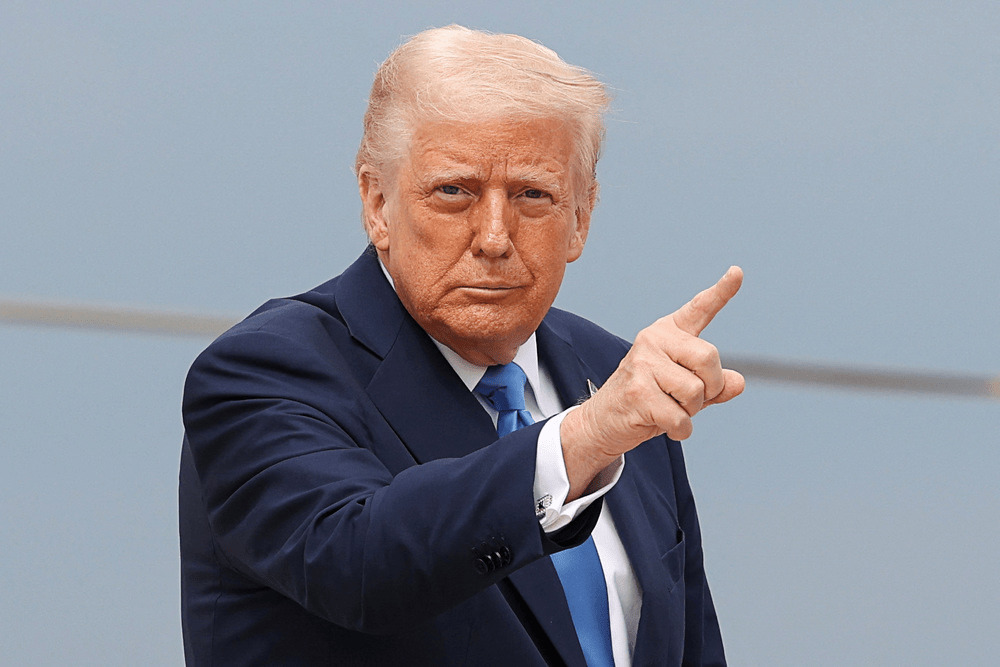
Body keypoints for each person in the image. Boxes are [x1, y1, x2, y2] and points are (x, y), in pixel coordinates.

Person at [179, 25, 743, 666]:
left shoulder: (615, 377)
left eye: (533, 194)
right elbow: (360, 562)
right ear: (377, 203)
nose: (495, 237)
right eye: (454, 191)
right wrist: (584, 439)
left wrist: (601, 424)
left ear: (581, 218)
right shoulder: (262, 371)